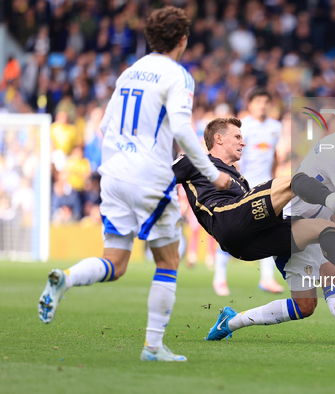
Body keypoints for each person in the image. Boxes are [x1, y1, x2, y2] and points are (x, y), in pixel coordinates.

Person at [37, 6, 232, 362]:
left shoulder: (129, 72)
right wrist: (211, 171)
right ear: (183, 40)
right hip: (149, 176)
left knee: (116, 261)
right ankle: (153, 347)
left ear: (150, 38)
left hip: (113, 175)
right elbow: (180, 128)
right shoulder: (178, 75)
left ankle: (66, 278)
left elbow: (104, 126)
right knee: (169, 260)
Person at [206, 95, 335, 344]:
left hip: (313, 228)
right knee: (308, 301)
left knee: (320, 285)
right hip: (291, 228)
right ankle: (231, 321)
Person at [172, 117, 335, 279]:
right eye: (238, 137)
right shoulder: (195, 159)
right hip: (226, 217)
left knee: (323, 227)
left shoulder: (239, 178)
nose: (243, 143)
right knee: (294, 180)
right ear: (218, 138)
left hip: (245, 244)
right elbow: (162, 178)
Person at [212, 87, 284, 296]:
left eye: (265, 101)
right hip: (243, 185)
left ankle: (267, 279)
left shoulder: (275, 127)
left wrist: (273, 179)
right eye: (257, 101)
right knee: (231, 232)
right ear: (250, 104)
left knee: (269, 229)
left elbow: (276, 155)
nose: (261, 105)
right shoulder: (242, 126)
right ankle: (219, 278)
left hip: (265, 185)